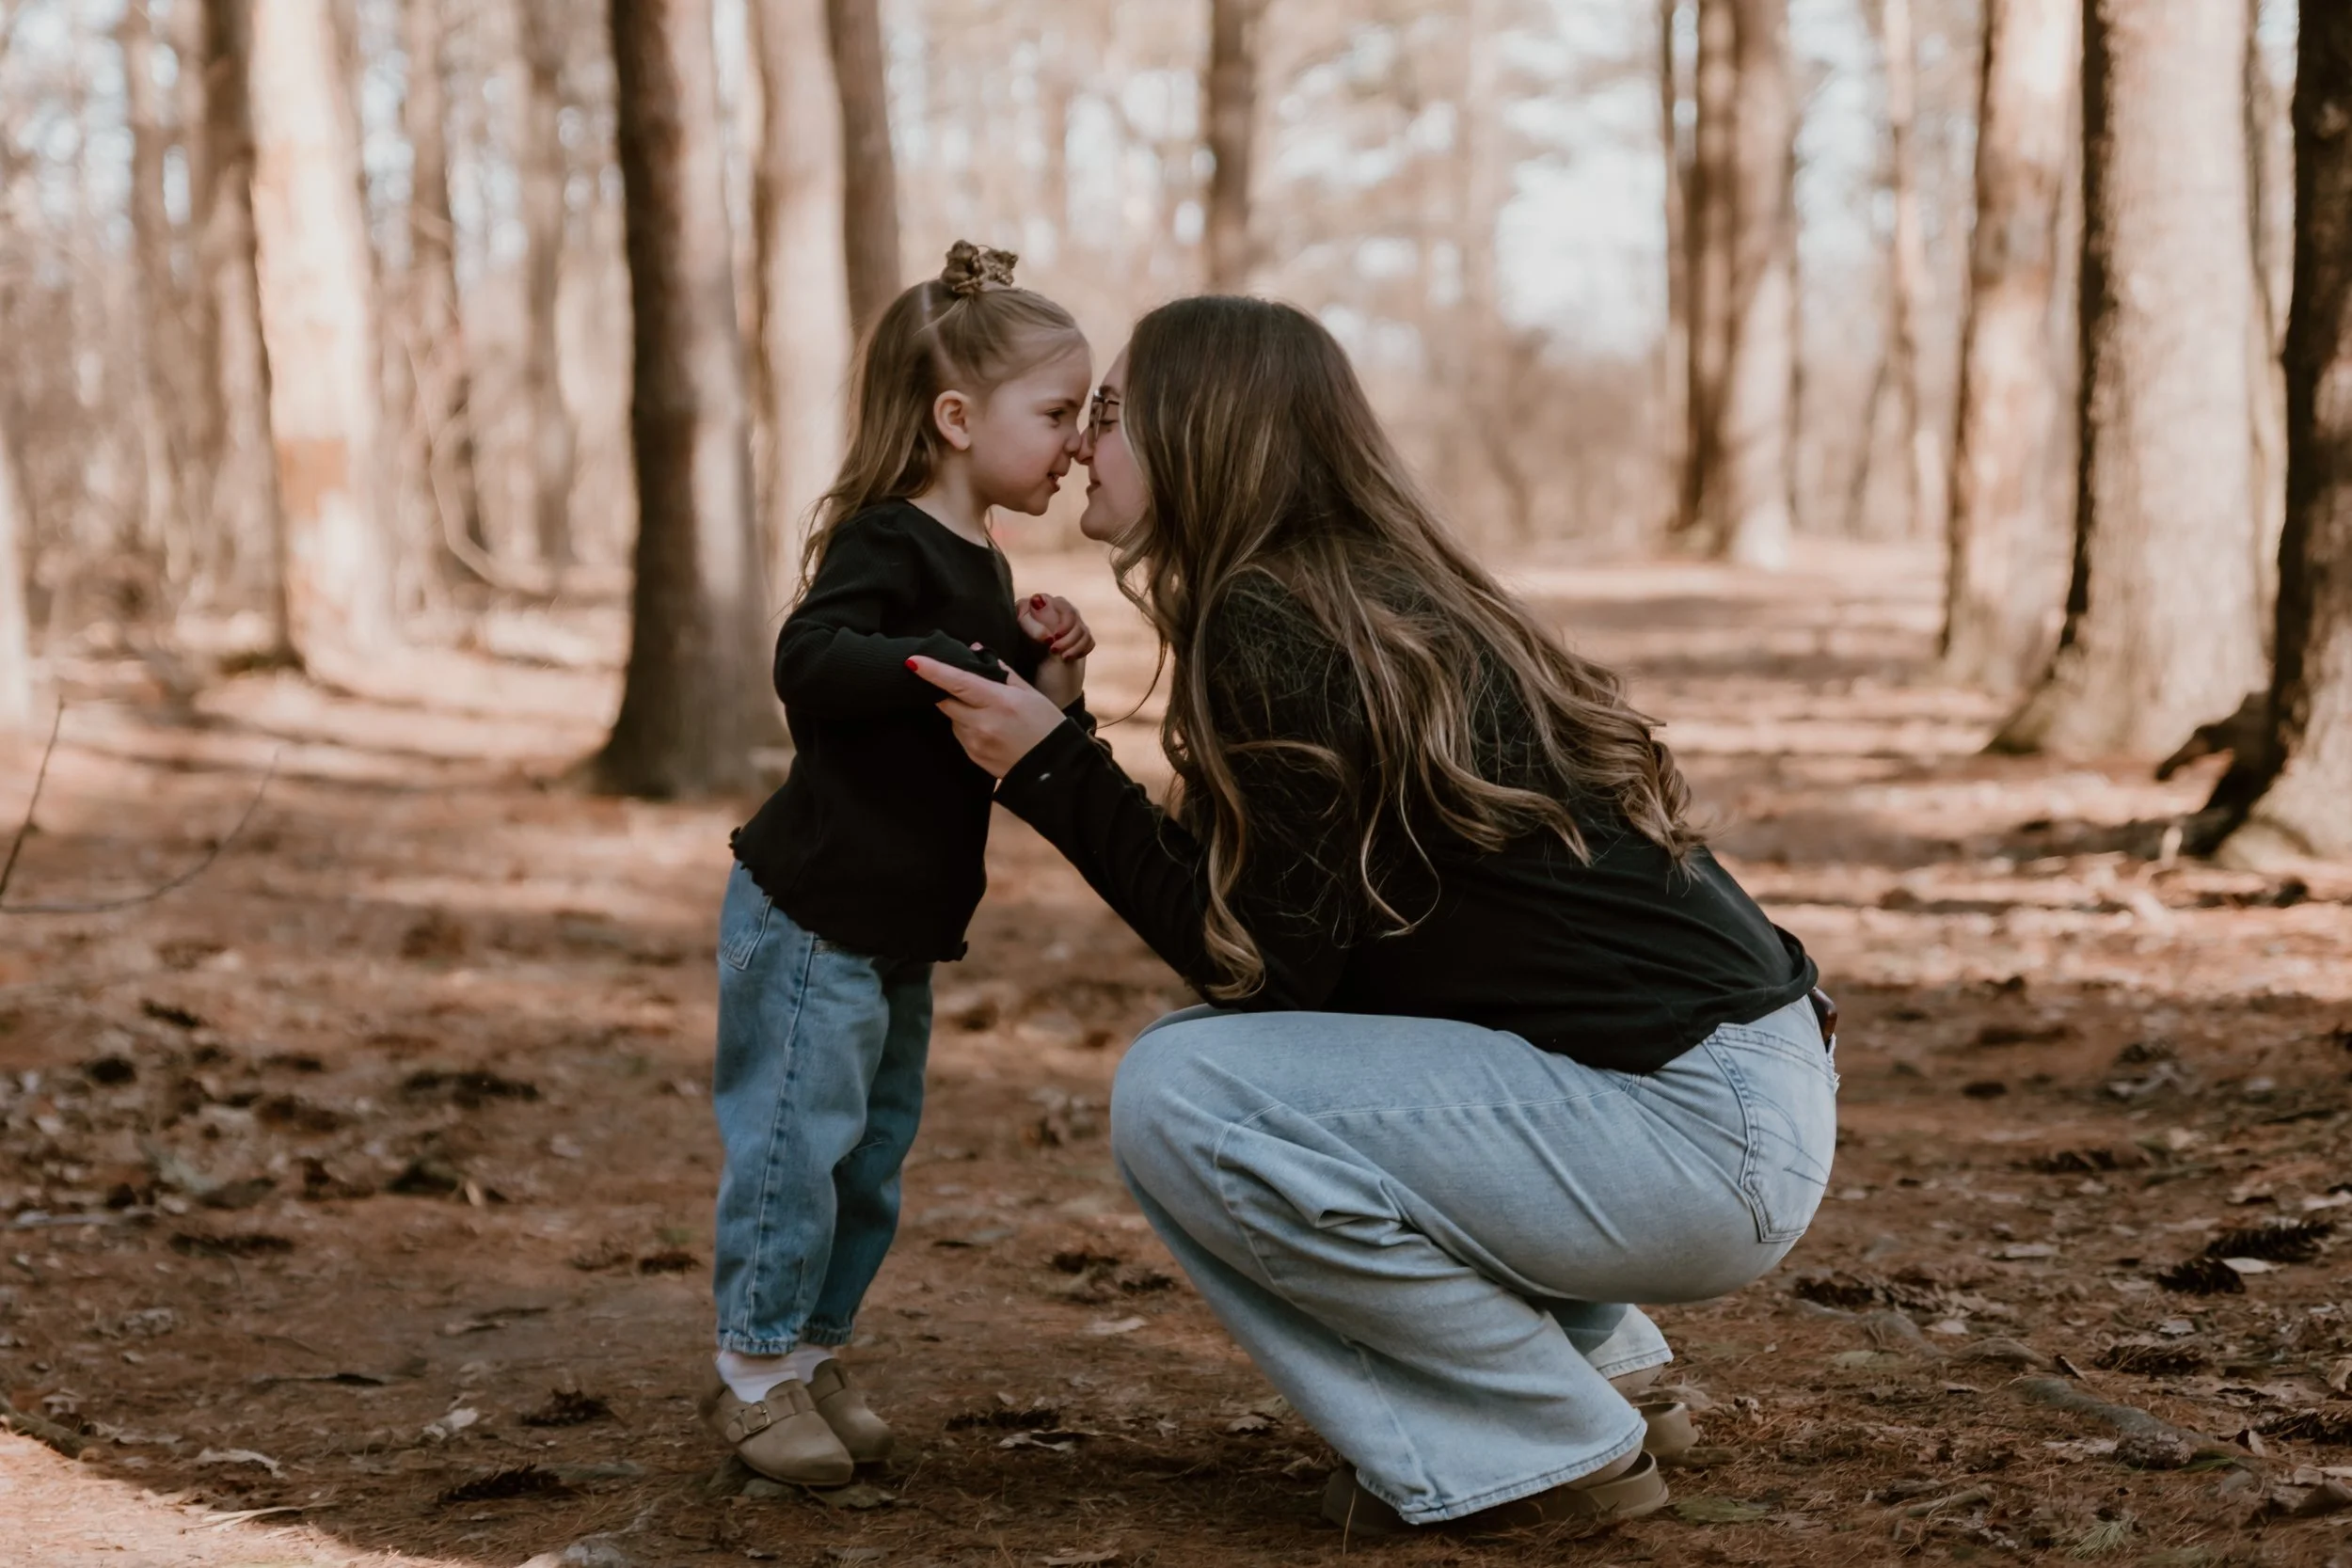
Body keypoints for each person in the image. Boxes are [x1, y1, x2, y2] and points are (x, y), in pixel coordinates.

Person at [910, 296, 1838, 1537]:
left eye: (1115, 414)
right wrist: (1066, 737)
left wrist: (1047, 769)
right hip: (1730, 1100)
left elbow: (1259, 968)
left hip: (1694, 1127)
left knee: (1185, 1091)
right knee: (1254, 1073)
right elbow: (1311, 944)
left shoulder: (1274, 620)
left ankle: (1548, 1448)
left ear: (1203, 434)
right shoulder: (1347, 598)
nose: (1082, 444)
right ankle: (1608, 1373)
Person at [705, 242, 1099, 1486]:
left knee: (871, 1156)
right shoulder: (887, 540)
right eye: (1057, 415)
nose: (1079, 442)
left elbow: (984, 734)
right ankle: (756, 1373)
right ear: (954, 417)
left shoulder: (981, 559)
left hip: (899, 920)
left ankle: (816, 1350)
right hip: (817, 908)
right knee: (793, 1145)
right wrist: (941, 655)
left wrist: (1047, 674)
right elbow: (810, 657)